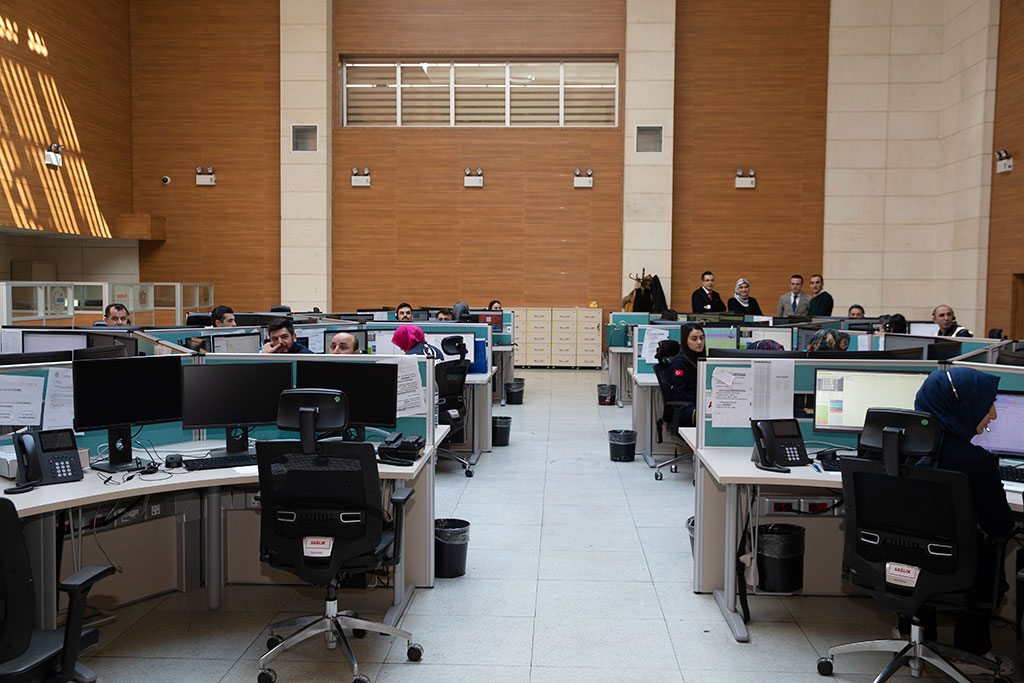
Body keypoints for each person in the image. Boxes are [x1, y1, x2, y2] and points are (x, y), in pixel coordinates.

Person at [907, 367, 1013, 673]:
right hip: (953, 566)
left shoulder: (890, 446)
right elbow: (1000, 527)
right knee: (989, 549)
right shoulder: (976, 462)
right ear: (961, 407)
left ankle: (911, 633)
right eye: (987, 404)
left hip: (892, 558)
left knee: (916, 541)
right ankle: (970, 652)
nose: (993, 414)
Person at [667, 323, 705, 427]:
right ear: (685, 341)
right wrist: (702, 399)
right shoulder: (680, 362)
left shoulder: (699, 359)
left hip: (698, 404)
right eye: (694, 339)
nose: (699, 342)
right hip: (685, 409)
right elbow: (679, 395)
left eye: (702, 338)